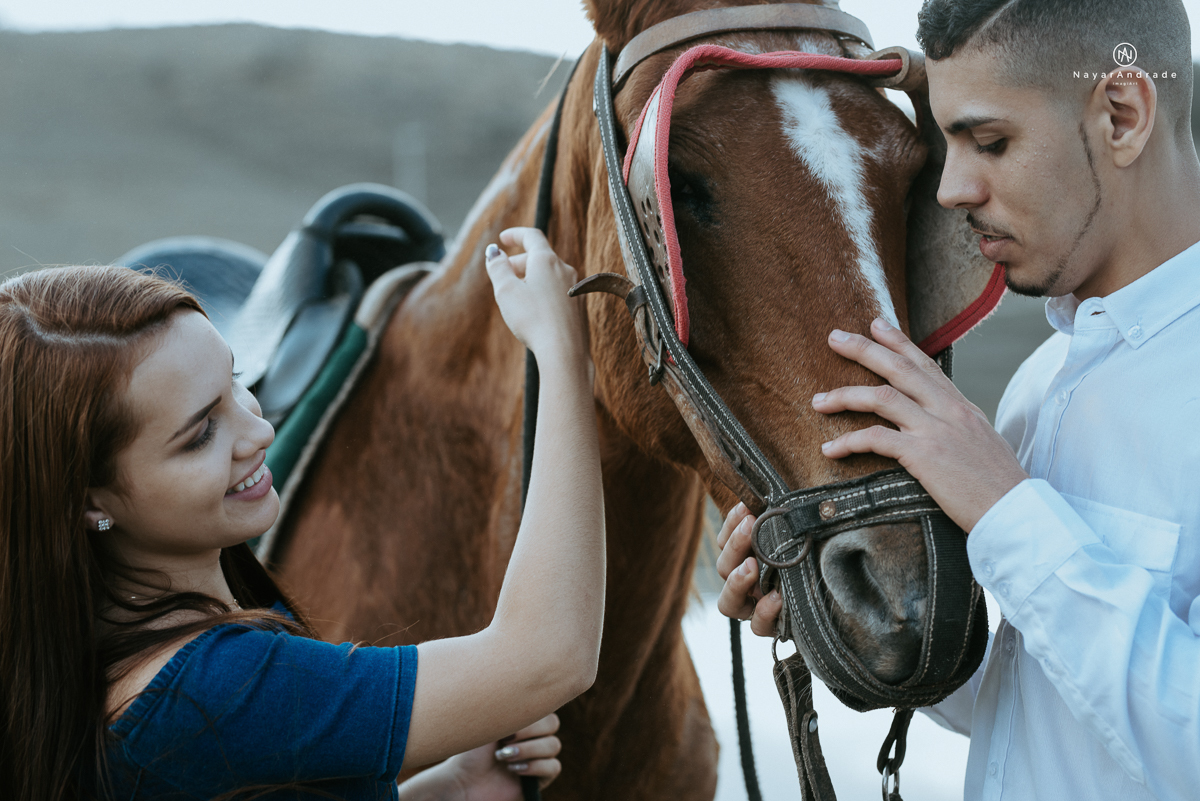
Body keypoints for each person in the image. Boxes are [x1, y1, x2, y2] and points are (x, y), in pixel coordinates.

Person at [714, 0, 1200, 799]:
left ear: (1122, 114)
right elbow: (1022, 707)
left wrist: (1008, 512)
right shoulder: (1041, 384)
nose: (950, 188)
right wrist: (831, 608)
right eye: (946, 144)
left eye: (991, 141)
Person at [0, 227, 605, 801]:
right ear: (90, 500)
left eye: (235, 382)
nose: (258, 430)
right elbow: (549, 657)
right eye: (200, 434)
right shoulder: (213, 691)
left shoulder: (114, 653)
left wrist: (456, 787)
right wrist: (563, 355)